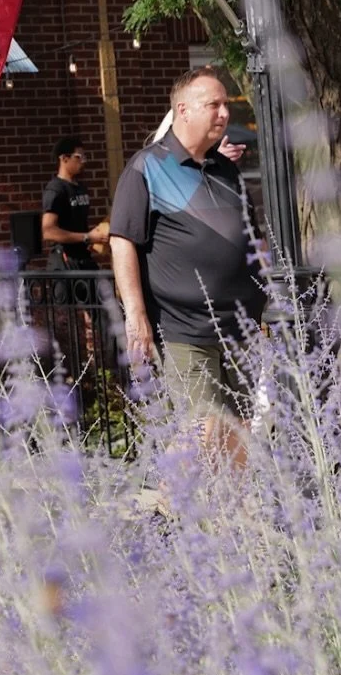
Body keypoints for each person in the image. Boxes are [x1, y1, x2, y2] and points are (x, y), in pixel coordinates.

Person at [109, 66, 266, 433]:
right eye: (214, 104)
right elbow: (122, 241)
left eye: (225, 104)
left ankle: (230, 496)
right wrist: (136, 315)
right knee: (202, 435)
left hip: (241, 329)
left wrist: (264, 304)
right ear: (184, 110)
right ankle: (172, 495)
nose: (225, 113)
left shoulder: (226, 169)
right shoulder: (147, 167)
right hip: (185, 330)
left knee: (238, 437)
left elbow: (251, 239)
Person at [41, 138, 109, 265]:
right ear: (64, 159)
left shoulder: (81, 188)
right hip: (65, 261)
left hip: (83, 257)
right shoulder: (56, 189)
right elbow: (48, 231)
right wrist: (87, 237)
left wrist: (92, 238)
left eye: (84, 157)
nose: (83, 161)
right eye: (78, 157)